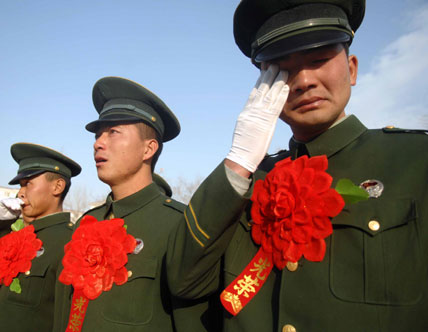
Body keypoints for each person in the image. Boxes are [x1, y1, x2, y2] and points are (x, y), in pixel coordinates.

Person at [168, 0, 428, 331]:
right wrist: (239, 160)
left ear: (351, 69)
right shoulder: (249, 181)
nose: (303, 80)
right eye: (284, 69)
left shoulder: (416, 161)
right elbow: (183, 281)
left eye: (319, 59)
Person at [57, 76, 212, 332]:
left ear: (148, 149)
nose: (98, 143)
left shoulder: (179, 224)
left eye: (113, 132)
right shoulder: (86, 224)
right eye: (97, 135)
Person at [0, 143, 81, 332]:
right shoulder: (17, 235)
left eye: (29, 184)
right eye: (20, 185)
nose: (20, 192)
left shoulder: (68, 243)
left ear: (57, 186)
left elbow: (65, 318)